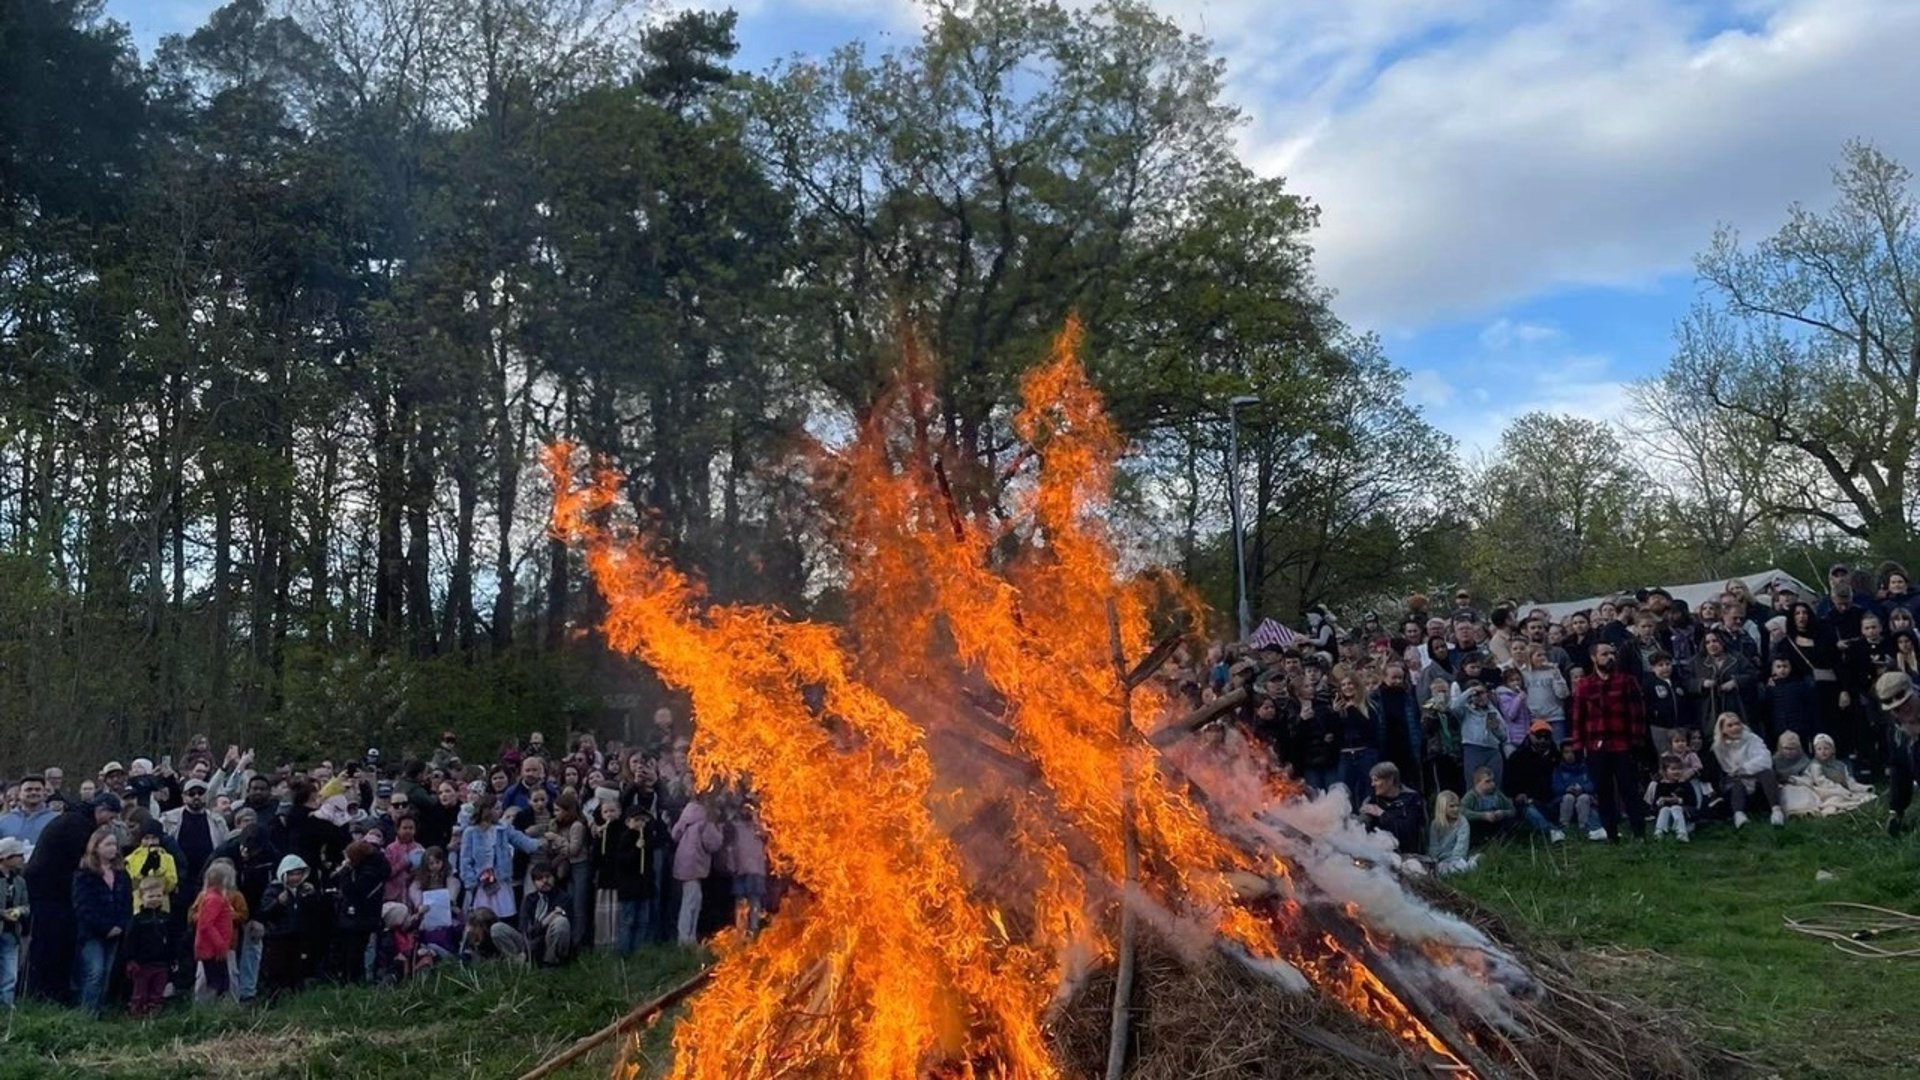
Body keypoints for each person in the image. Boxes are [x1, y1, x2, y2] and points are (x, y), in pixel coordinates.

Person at [27, 793, 120, 1003]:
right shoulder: (79, 826)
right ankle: (47, 994)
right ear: (102, 810)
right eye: (111, 817)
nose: (110, 823)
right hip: (51, 893)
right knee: (52, 945)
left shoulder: (73, 819)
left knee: (50, 944)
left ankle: (47, 993)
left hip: (51, 890)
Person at [1569, 642, 1649, 841]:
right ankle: (1611, 833)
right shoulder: (1585, 685)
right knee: (1603, 792)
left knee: (1629, 790)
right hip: (1596, 747)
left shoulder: (1626, 681)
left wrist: (1637, 742)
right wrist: (1578, 746)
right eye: (1604, 654)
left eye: (1612, 653)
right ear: (1594, 658)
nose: (1610, 657)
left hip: (1623, 745)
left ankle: (1639, 832)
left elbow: (1637, 714)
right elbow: (1578, 719)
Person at [72, 825, 132, 1016]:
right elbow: (83, 907)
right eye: (107, 844)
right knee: (94, 973)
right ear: (96, 847)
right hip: (92, 933)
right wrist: (106, 927)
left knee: (106, 974)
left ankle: (99, 1011)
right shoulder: (84, 875)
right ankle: (87, 1013)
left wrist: (120, 925)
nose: (112, 848)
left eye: (114, 844)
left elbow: (127, 903)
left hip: (116, 931)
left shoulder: (122, 874)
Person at [258, 854, 325, 996]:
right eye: (291, 874)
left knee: (297, 970)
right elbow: (265, 912)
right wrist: (278, 903)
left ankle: (296, 997)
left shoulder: (304, 890)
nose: (295, 878)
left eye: (299, 874)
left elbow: (314, 913)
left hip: (298, 936)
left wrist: (312, 896)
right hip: (278, 937)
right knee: (277, 971)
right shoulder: (274, 889)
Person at [1710, 712, 1785, 829]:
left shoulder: (1752, 739)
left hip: (1757, 777)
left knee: (1767, 773)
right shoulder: (1719, 747)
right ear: (1723, 730)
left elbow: (1765, 759)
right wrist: (1738, 772)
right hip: (1735, 779)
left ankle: (1776, 811)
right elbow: (1727, 768)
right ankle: (1739, 815)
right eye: (1730, 725)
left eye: (1737, 724)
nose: (1735, 728)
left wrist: (1745, 768)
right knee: (1736, 782)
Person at [670, 796, 725, 947]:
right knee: (692, 902)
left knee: (692, 899)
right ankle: (686, 939)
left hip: (683, 863)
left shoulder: (686, 816)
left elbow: (675, 834)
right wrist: (719, 829)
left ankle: (688, 937)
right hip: (695, 865)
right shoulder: (706, 821)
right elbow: (713, 844)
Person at [497, 863, 572, 967]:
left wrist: (539, 928)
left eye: (548, 877)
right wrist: (545, 922)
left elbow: (558, 930)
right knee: (497, 928)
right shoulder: (529, 899)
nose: (544, 881)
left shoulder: (563, 898)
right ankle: (518, 961)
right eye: (539, 878)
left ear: (554, 878)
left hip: (547, 942)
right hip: (528, 941)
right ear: (534, 882)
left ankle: (550, 963)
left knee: (561, 922)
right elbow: (525, 930)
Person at [1502, 722, 1563, 842]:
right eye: (1539, 736)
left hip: (1552, 798)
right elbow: (1507, 783)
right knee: (1528, 808)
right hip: (1528, 800)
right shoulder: (1517, 757)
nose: (1542, 740)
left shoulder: (1556, 756)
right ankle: (1551, 831)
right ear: (1530, 735)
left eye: (1546, 737)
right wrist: (1517, 794)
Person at [191, 858, 243, 1001]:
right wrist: (220, 945)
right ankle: (208, 1012)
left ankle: (221, 1011)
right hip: (213, 950)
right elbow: (205, 924)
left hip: (218, 949)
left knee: (223, 983)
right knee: (215, 984)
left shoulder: (219, 897)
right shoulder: (213, 899)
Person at [1461, 766, 1555, 844]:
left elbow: (1512, 810)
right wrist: (1483, 816)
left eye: (1492, 780)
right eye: (1487, 781)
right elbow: (1462, 812)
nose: (1492, 784)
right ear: (1477, 783)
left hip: (1497, 824)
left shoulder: (1497, 794)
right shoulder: (1471, 796)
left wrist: (1502, 813)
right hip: (1479, 826)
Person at [125, 876, 175, 1017]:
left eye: (158, 895)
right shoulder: (137, 920)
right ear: (142, 897)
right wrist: (130, 959)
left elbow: (172, 940)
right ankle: (136, 1014)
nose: (155, 899)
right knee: (140, 992)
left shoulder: (166, 918)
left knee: (158, 992)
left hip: (161, 963)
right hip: (142, 964)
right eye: (151, 896)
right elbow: (129, 941)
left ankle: (154, 1016)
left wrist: (172, 958)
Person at [1360, 761, 1425, 856]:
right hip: (1378, 854)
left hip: (1408, 855)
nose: (1372, 784)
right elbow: (1362, 826)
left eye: (1376, 780)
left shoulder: (1412, 799)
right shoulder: (1372, 800)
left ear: (1390, 780)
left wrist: (1383, 815)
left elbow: (1409, 831)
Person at [1552, 740, 1602, 840]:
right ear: (1562, 754)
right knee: (1568, 798)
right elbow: (1555, 787)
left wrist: (1583, 789)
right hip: (1565, 800)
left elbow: (1592, 783)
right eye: (1566, 752)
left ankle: (1583, 827)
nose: (1570, 755)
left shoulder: (1585, 767)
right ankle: (1564, 826)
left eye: (1572, 752)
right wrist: (1566, 789)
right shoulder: (1558, 770)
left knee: (1583, 798)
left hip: (1584, 800)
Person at [0, 837, 28, 1009]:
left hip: (11, 933)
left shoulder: (20, 881)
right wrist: (3, 914)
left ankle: (6, 1005)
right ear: (5, 857)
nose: (21, 859)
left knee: (11, 973)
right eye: (18, 855)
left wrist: (19, 911)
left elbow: (27, 905)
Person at [1645, 755, 1698, 842]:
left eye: (1679, 769)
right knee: (1665, 809)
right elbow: (1655, 805)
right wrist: (1661, 801)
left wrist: (1677, 800)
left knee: (1676, 807)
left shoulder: (1685, 784)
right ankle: (1659, 831)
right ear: (1665, 771)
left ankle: (1681, 833)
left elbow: (1693, 802)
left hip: (1685, 816)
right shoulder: (1661, 785)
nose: (1677, 772)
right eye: (1673, 769)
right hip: (1668, 817)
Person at [1427, 791, 1476, 876]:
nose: (1456, 809)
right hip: (1440, 859)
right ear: (1442, 808)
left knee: (1458, 868)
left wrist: (1454, 859)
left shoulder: (1462, 822)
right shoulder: (1435, 824)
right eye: (1452, 806)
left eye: (1457, 806)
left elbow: (1461, 845)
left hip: (1456, 858)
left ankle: (1471, 863)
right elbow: (1434, 845)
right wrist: (1436, 859)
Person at [0, 774, 55, 845]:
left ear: (44, 793)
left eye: (38, 790)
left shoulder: (56, 820)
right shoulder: (3, 821)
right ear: (19, 793)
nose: (33, 792)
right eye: (28, 790)